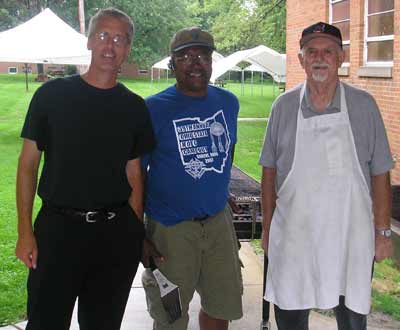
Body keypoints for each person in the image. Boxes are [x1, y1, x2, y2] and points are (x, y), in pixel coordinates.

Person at [15, 8, 155, 330]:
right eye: (103, 35)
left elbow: (134, 174)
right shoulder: (51, 96)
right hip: (57, 232)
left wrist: (133, 233)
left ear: (128, 48)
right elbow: (27, 167)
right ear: (90, 41)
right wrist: (25, 231)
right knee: (46, 322)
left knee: (103, 324)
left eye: (119, 39)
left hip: (113, 234)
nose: (110, 45)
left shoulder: (134, 108)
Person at [259, 22, 394, 330]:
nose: (320, 58)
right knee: (291, 316)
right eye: (312, 52)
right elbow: (269, 172)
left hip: (350, 235)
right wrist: (268, 228)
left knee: (352, 319)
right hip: (295, 236)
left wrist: (383, 232)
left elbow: (380, 172)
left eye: (328, 52)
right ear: (301, 59)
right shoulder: (283, 106)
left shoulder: (364, 106)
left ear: (341, 58)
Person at [141, 27, 243, 330]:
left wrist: (220, 189)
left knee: (220, 306)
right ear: (173, 64)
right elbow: (135, 175)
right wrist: (139, 233)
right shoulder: (152, 109)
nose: (195, 62)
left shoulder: (228, 102)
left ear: (212, 62)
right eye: (184, 56)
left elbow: (228, 149)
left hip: (218, 225)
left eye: (202, 55)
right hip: (171, 231)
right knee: (170, 315)